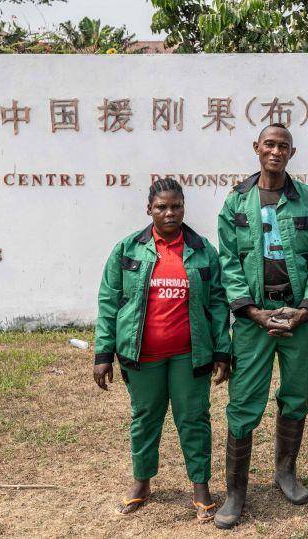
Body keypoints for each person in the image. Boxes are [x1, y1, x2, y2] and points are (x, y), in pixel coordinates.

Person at [213, 123, 308, 530]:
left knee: (296, 395)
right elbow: (228, 261)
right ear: (256, 147)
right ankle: (235, 492)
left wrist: (306, 310)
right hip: (254, 321)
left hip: (297, 318)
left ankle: (285, 472)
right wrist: (250, 311)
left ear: (292, 152)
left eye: (283, 146)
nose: (276, 151)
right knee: (245, 400)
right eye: (269, 144)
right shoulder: (235, 204)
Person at [93, 178, 231, 521]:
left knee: (194, 420)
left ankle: (200, 487)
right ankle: (142, 483)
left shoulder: (202, 250)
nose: (170, 213)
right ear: (149, 209)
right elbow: (109, 303)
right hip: (142, 357)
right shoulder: (127, 250)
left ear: (184, 207)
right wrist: (102, 354)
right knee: (145, 419)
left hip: (189, 355)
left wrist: (222, 352)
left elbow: (217, 304)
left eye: (176, 207)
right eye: (162, 207)